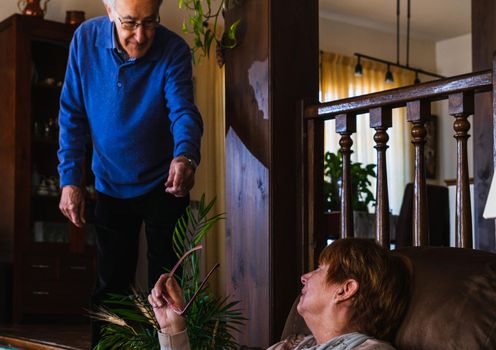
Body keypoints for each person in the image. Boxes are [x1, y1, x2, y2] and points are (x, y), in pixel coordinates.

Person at [57, 0, 203, 345]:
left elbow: (183, 112)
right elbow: (72, 114)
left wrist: (185, 157)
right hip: (109, 182)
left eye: (150, 23)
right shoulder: (85, 40)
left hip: (164, 185)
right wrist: (69, 179)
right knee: (111, 284)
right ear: (108, 11)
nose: (140, 36)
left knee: (167, 286)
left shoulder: (174, 50)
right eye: (129, 23)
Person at [148, 238, 411, 350]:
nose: (305, 276)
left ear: (345, 289)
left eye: (320, 269)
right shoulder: (291, 345)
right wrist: (173, 328)